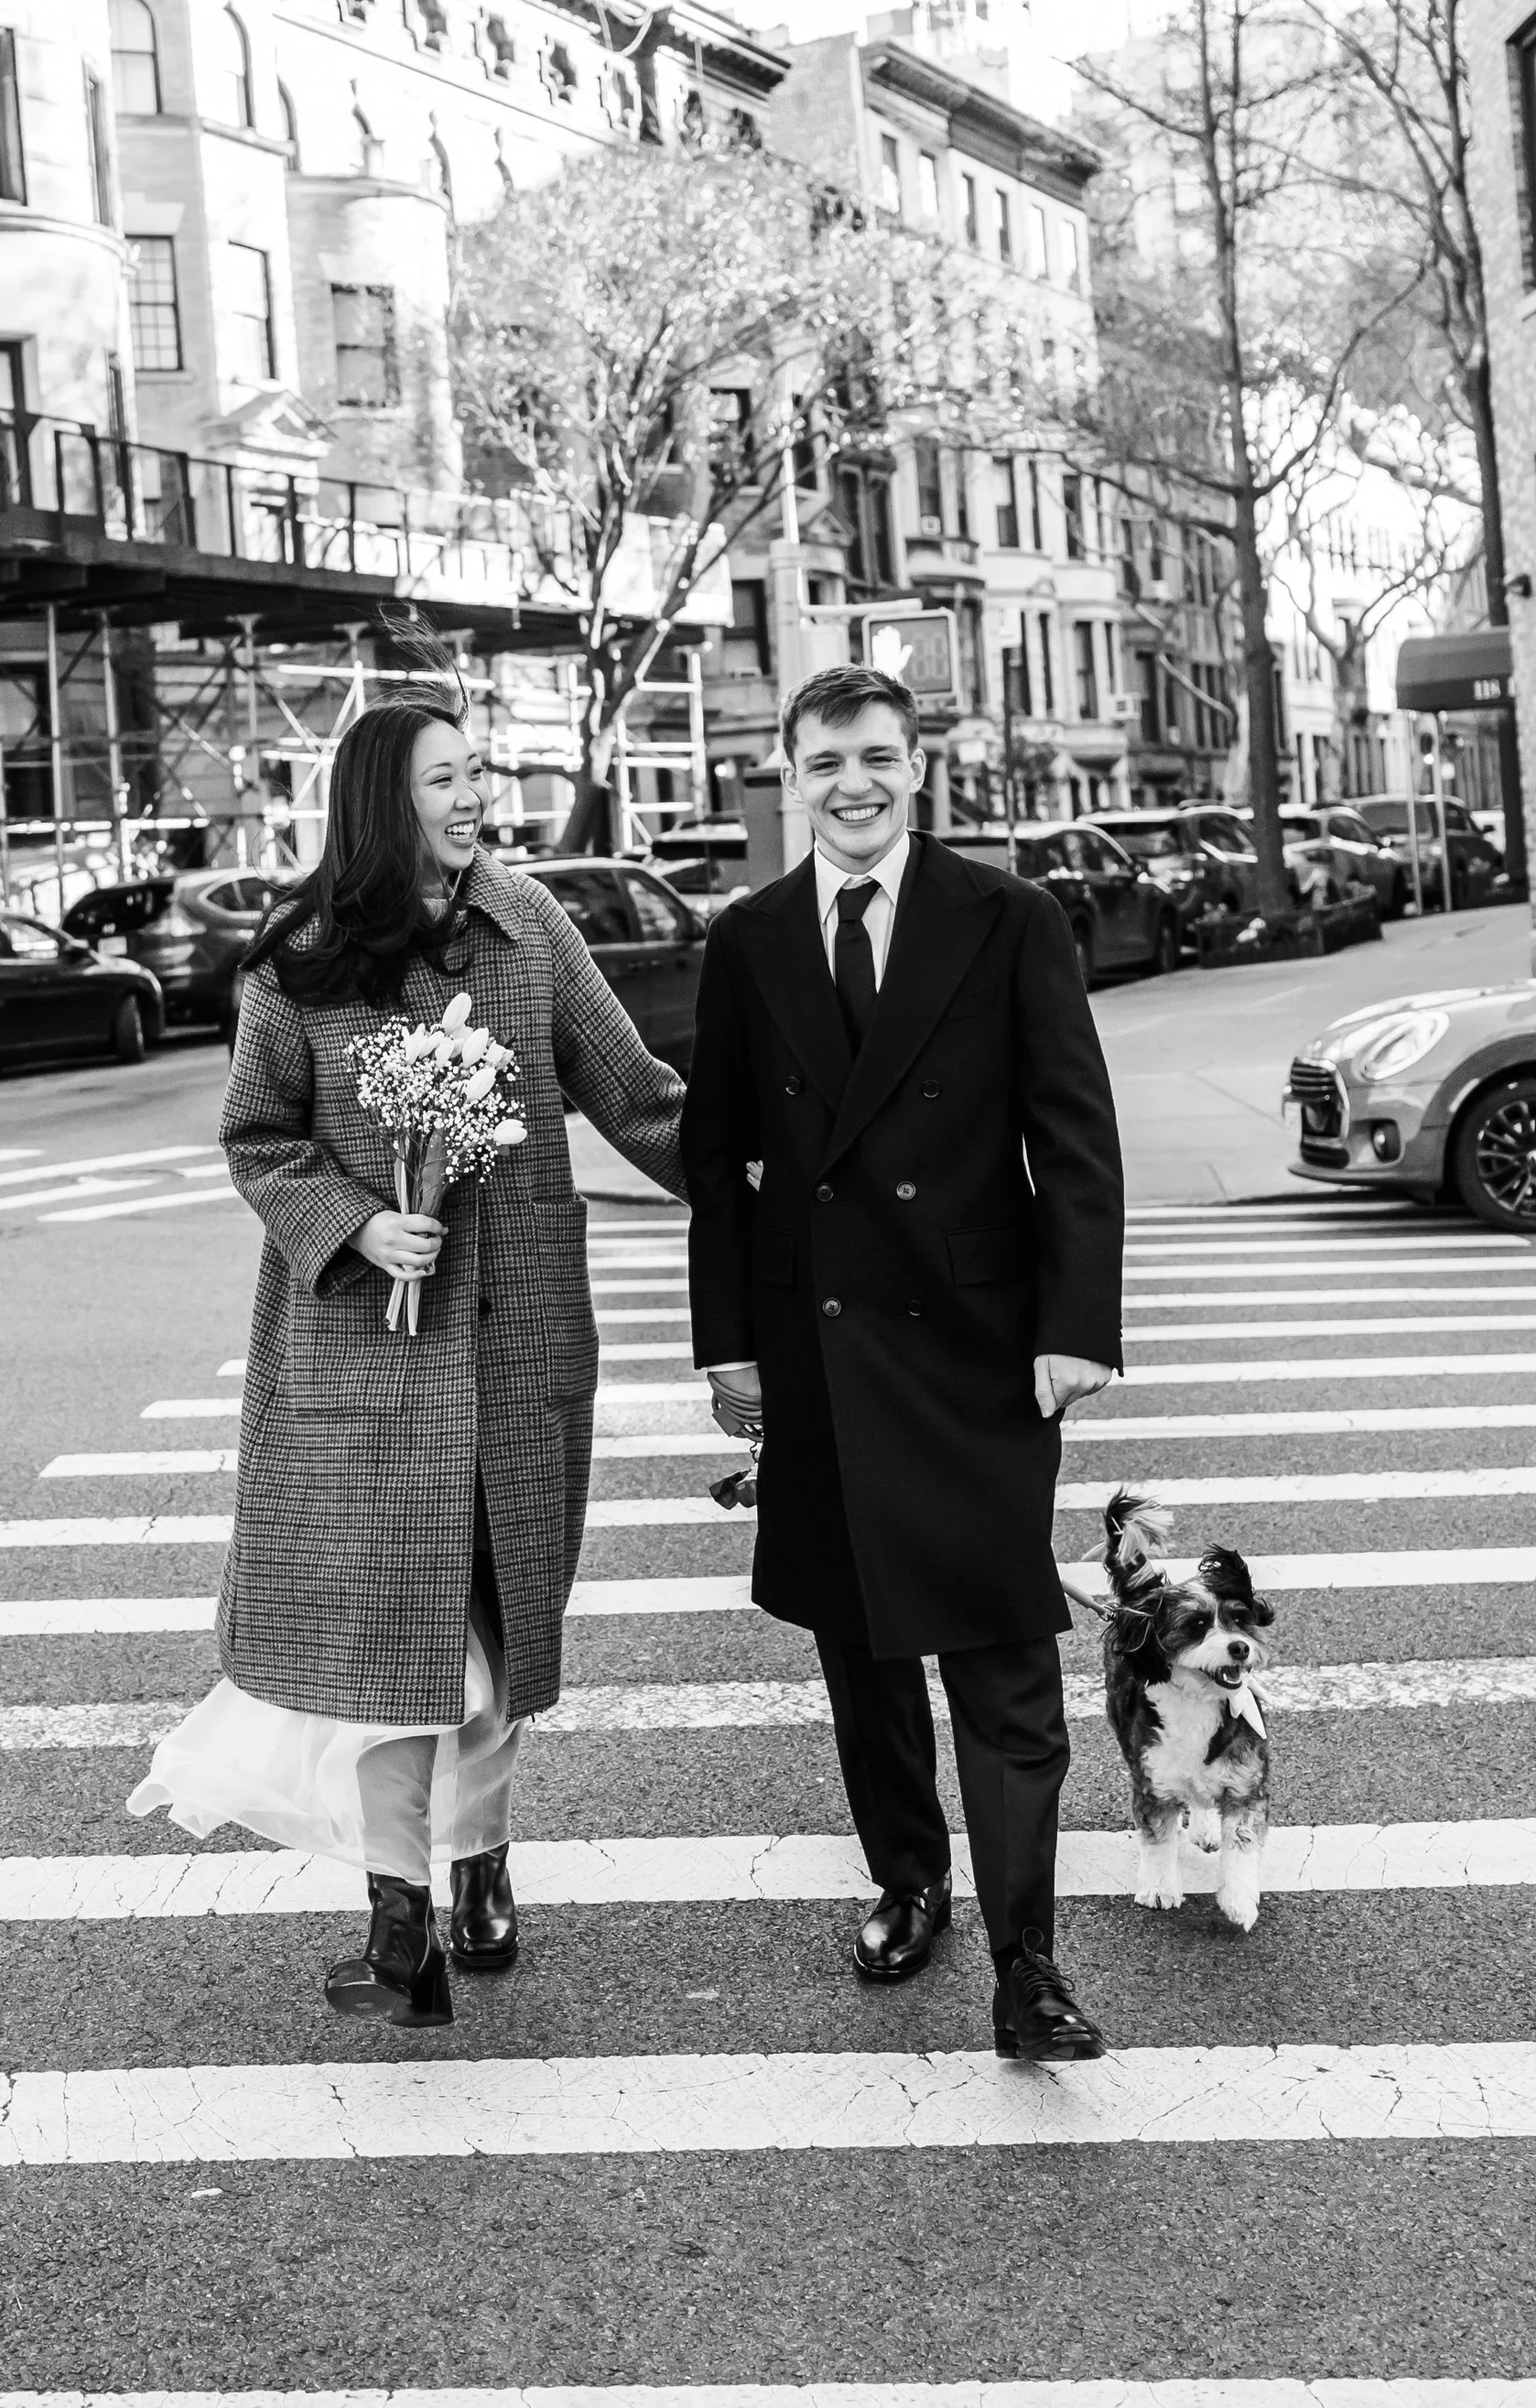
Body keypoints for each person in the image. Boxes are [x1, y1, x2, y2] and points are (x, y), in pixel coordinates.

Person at [130, 697, 686, 2025]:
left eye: (477, 773)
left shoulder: (529, 923)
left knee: (494, 1620)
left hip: (515, 1336)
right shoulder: (302, 957)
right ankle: (401, 1918)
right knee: (394, 1643)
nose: (473, 796)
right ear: (385, 798)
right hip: (363, 1358)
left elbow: (641, 1096)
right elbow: (258, 1136)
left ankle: (479, 1869)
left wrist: (780, 1186)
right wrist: (362, 1221)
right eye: (447, 778)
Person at [681, 664, 1124, 2064]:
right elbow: (721, 1173)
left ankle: (1029, 1962)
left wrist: (1076, 1323)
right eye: (825, 763)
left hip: (979, 1348)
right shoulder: (747, 938)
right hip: (817, 1346)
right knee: (861, 1652)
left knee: (1003, 1665)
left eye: (876, 756)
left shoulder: (1009, 917)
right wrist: (729, 1352)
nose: (852, 783)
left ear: (916, 765)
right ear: (789, 775)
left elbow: (1076, 1131)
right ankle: (909, 1878)